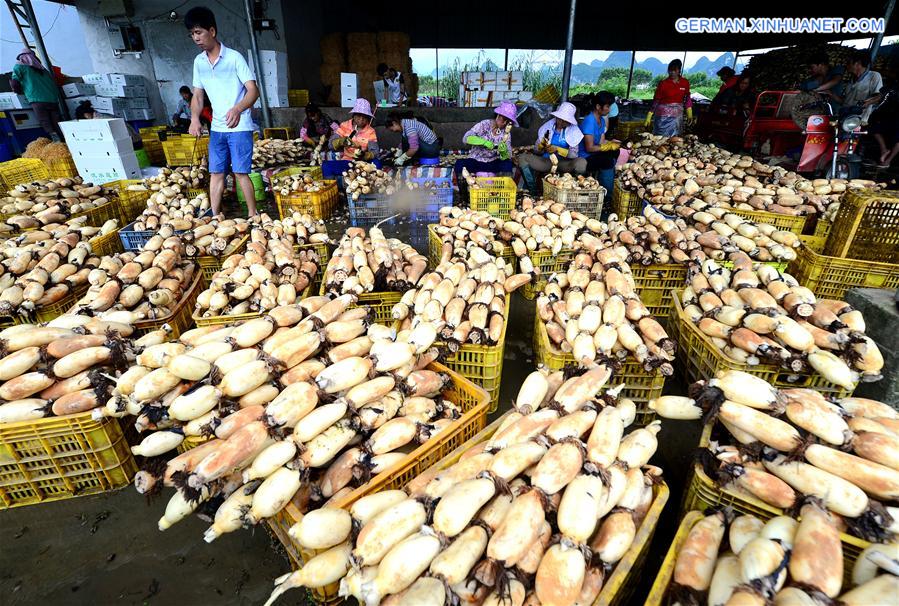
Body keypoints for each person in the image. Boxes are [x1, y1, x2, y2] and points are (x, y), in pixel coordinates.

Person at [185, 6, 260, 217]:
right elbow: (197, 95)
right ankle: (216, 216)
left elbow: (253, 90)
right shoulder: (199, 62)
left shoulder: (234, 58)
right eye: (192, 34)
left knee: (240, 173)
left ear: (212, 31)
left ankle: (253, 215)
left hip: (240, 126)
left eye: (199, 32)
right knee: (216, 173)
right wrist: (194, 118)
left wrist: (238, 108)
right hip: (217, 128)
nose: (196, 38)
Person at [518, 101, 586, 192]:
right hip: (547, 161)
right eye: (560, 119)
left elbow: (574, 155)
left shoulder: (574, 131)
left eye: (565, 121)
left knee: (581, 162)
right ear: (556, 117)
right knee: (523, 158)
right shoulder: (547, 127)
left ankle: (575, 189)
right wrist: (541, 146)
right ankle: (533, 191)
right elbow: (536, 151)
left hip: (564, 163)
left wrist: (558, 149)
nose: (561, 122)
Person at [455, 100, 518, 182]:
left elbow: (508, 155)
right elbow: (466, 138)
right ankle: (463, 193)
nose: (504, 123)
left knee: (507, 165)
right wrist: (483, 142)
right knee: (459, 164)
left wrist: (503, 152)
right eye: (504, 119)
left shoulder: (506, 134)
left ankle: (502, 190)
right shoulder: (485, 124)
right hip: (476, 160)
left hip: (493, 162)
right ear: (498, 116)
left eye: (508, 122)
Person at [10, 49, 63, 141]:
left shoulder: (19, 66)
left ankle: (56, 141)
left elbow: (15, 83)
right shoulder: (43, 70)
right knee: (57, 122)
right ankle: (65, 140)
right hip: (53, 99)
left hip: (37, 99)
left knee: (45, 121)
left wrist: (19, 92)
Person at [578, 91, 620, 206]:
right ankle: (606, 196)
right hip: (584, 157)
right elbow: (589, 148)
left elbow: (601, 142)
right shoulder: (589, 121)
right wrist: (606, 146)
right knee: (606, 161)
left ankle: (605, 179)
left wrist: (612, 143)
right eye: (607, 106)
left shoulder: (601, 120)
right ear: (598, 107)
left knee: (615, 152)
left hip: (594, 154)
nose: (609, 109)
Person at [323, 98, 380, 176]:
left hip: (363, 164)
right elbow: (330, 145)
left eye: (365, 117)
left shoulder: (370, 131)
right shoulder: (344, 125)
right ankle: (339, 183)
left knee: (377, 163)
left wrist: (365, 155)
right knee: (326, 166)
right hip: (347, 162)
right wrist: (340, 141)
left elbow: (375, 152)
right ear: (354, 115)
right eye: (359, 115)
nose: (361, 119)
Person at [645, 59, 692, 136]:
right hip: (662, 117)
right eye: (670, 70)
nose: (672, 72)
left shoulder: (685, 82)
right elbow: (656, 100)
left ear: (679, 70)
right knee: (661, 138)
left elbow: (687, 98)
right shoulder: (663, 83)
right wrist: (649, 115)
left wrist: (689, 113)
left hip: (677, 116)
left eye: (674, 70)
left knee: (675, 139)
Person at [832, 52, 883, 124]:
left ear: (857, 63)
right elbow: (844, 102)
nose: (846, 66)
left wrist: (866, 103)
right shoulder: (851, 81)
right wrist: (830, 93)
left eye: (849, 63)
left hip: (858, 121)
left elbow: (878, 96)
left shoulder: (874, 76)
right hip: (843, 118)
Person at [73, 99, 141, 146]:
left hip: (132, 142)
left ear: (86, 115)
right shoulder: (101, 115)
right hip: (133, 139)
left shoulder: (99, 120)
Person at [868, 85, 898, 167]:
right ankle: (884, 150)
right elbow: (880, 96)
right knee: (873, 129)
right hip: (889, 116)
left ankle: (888, 160)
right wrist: (867, 102)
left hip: (894, 117)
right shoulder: (894, 87)